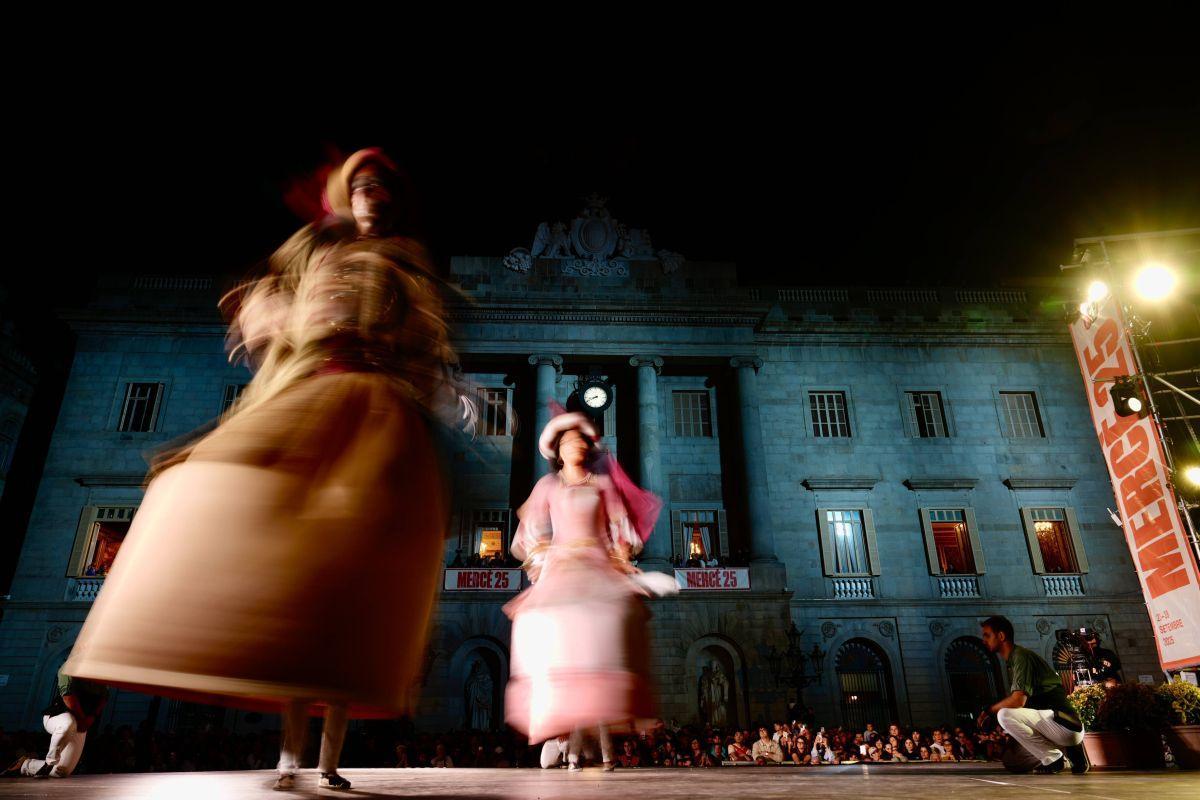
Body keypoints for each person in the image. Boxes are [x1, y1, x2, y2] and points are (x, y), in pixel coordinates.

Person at [59, 149, 471, 793]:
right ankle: (285, 750)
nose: (373, 196)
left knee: (349, 596)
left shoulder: (405, 263)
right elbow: (275, 299)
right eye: (362, 187)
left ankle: (327, 761)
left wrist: (442, 389)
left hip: (373, 410)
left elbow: (423, 340)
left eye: (382, 189)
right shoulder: (317, 251)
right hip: (313, 394)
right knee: (237, 504)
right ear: (347, 195)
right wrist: (262, 316)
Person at [505, 411, 671, 770]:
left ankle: (601, 748)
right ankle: (573, 743)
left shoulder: (601, 485)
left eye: (580, 440)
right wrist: (541, 556)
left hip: (596, 565)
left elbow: (619, 526)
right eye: (568, 442)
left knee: (607, 636)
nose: (575, 446)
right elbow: (529, 529)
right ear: (558, 451)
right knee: (548, 631)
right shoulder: (548, 486)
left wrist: (622, 558)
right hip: (564, 567)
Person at [978, 615, 1089, 774]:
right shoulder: (1013, 661)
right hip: (1050, 727)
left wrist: (989, 711)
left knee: (1003, 714)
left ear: (1001, 636)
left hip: (1065, 725)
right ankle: (1068, 753)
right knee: (1013, 761)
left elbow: (1018, 701)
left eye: (987, 635)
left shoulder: (1021, 656)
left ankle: (1057, 757)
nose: (984, 640)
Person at [4, 669, 107, 778]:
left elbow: (104, 697)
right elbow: (67, 696)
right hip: (59, 715)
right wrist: (84, 719)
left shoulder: (101, 673)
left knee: (61, 771)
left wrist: (92, 716)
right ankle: (49, 763)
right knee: (68, 723)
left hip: (81, 722)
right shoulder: (69, 667)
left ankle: (25, 765)